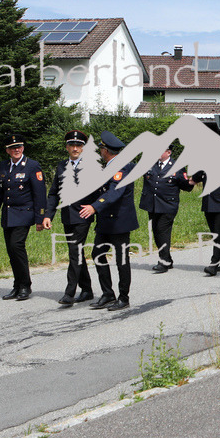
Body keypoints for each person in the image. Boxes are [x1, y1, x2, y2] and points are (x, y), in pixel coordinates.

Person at [81, 132, 139, 310]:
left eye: (101, 149)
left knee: (121, 260)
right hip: (105, 221)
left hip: (119, 222)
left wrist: (94, 207)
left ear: (106, 150)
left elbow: (114, 193)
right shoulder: (108, 167)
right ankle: (107, 294)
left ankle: (123, 297)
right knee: (98, 254)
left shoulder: (121, 168)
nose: (100, 151)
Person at [0, 134, 47, 301]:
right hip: (8, 215)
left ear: (23, 148)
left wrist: (40, 218)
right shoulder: (4, 166)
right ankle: (17, 285)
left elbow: (40, 194)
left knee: (16, 246)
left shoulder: (32, 166)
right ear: (7, 150)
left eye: (19, 146)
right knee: (11, 250)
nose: (17, 150)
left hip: (24, 213)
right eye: (13, 148)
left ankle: (25, 285)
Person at [44, 129, 96, 305]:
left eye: (78, 145)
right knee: (77, 252)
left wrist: (95, 208)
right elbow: (54, 193)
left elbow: (98, 191)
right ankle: (87, 289)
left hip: (83, 215)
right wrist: (48, 215)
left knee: (74, 251)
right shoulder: (61, 166)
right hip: (67, 216)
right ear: (66, 147)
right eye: (72, 145)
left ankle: (69, 293)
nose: (75, 148)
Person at [139, 143, 193, 272]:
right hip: (153, 205)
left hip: (168, 205)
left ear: (168, 152)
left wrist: (193, 180)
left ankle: (163, 262)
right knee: (156, 231)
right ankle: (167, 259)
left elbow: (186, 186)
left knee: (162, 231)